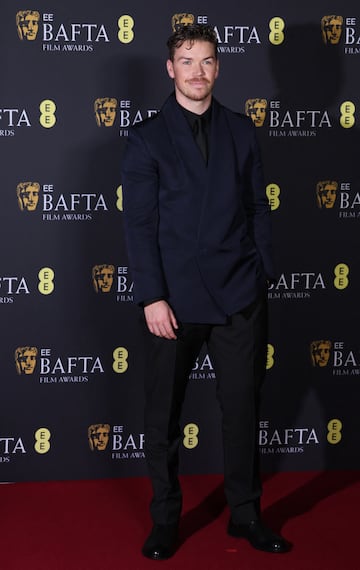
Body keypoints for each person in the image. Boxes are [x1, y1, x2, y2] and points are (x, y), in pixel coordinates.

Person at [121, 24, 289, 560]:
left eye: (208, 61)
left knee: (241, 411)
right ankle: (166, 520)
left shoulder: (242, 130)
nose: (198, 71)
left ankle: (246, 516)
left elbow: (259, 207)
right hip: (172, 302)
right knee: (162, 417)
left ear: (218, 68)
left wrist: (262, 270)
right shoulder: (147, 137)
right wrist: (152, 297)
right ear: (170, 69)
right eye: (187, 61)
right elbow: (140, 226)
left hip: (239, 294)